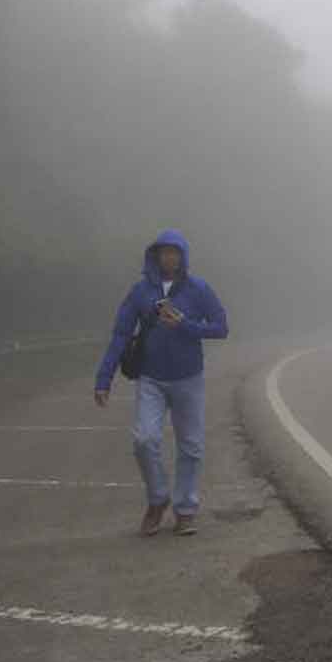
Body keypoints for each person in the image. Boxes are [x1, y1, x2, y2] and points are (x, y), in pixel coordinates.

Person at [94, 229, 229, 536]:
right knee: (144, 440)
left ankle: (185, 510)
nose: (169, 257)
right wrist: (104, 378)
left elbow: (221, 328)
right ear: (155, 256)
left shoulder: (198, 289)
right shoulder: (141, 291)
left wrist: (185, 325)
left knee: (191, 446)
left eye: (175, 252)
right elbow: (121, 334)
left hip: (189, 378)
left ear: (183, 256)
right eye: (163, 252)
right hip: (151, 378)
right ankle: (158, 499)